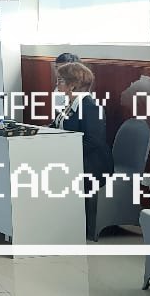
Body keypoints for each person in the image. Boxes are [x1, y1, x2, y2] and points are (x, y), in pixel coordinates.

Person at [52, 62, 113, 240]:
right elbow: (56, 126)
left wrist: (68, 155)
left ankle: (65, 223)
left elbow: (93, 141)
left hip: (93, 163)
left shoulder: (91, 108)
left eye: (60, 81)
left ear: (73, 85)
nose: (57, 85)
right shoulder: (70, 104)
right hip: (75, 157)